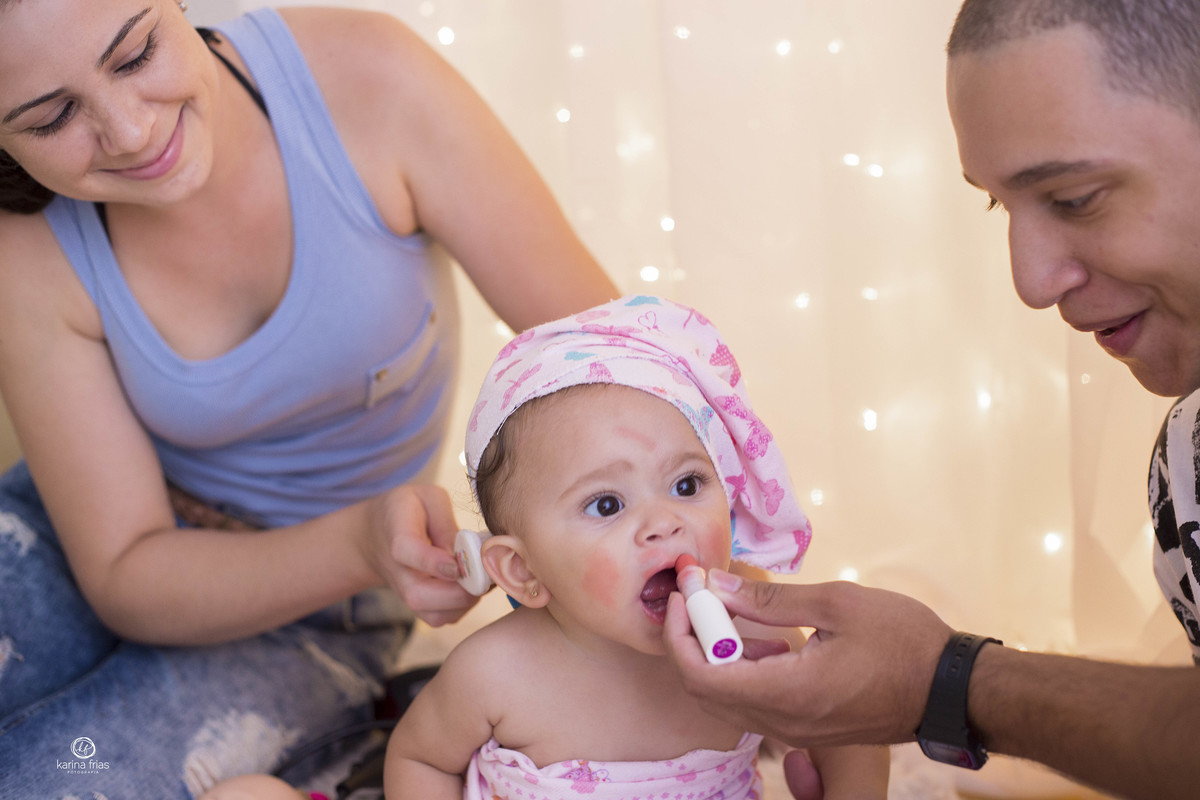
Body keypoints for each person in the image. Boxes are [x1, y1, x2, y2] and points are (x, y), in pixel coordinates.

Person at [0, 0, 616, 796]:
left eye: (136, 54)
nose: (130, 130)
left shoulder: (369, 79)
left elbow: (614, 369)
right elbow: (126, 570)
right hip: (80, 543)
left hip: (329, 610)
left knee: (46, 780)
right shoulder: (24, 241)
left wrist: (731, 590)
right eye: (50, 119)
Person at [663, 2, 1200, 800]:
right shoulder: (1185, 450)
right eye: (997, 205)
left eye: (1077, 198)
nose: (1030, 281)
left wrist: (944, 683)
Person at [378, 295, 890, 799]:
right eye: (606, 505)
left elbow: (847, 732)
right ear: (522, 570)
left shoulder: (755, 642)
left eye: (687, 485)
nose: (665, 523)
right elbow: (420, 760)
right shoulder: (493, 672)